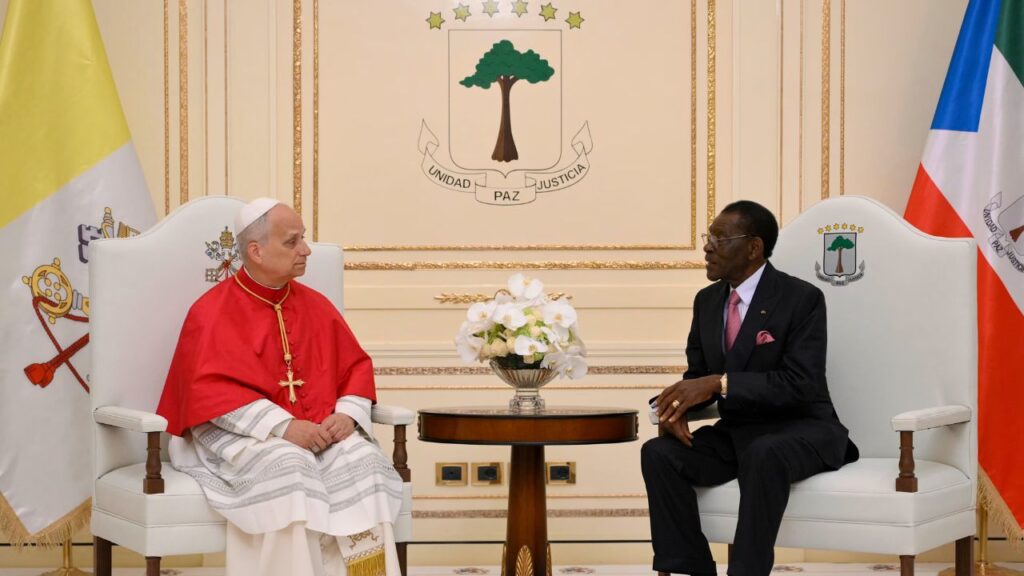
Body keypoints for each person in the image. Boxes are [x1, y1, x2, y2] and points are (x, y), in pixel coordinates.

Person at [156, 198, 404, 576]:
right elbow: (206, 391)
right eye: (292, 242)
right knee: (289, 466)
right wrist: (282, 427)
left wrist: (348, 414)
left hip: (320, 429)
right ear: (255, 251)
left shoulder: (316, 306)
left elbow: (354, 366)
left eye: (303, 239)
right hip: (243, 434)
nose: (305, 250)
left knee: (364, 462)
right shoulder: (210, 312)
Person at [641, 200, 858, 576]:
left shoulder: (801, 299)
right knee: (659, 453)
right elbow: (698, 377)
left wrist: (720, 382)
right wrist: (673, 410)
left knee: (764, 451)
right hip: (739, 435)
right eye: (708, 238)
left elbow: (801, 384)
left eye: (719, 239)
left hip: (803, 430)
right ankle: (690, 567)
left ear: (754, 247)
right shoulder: (707, 302)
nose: (707, 247)